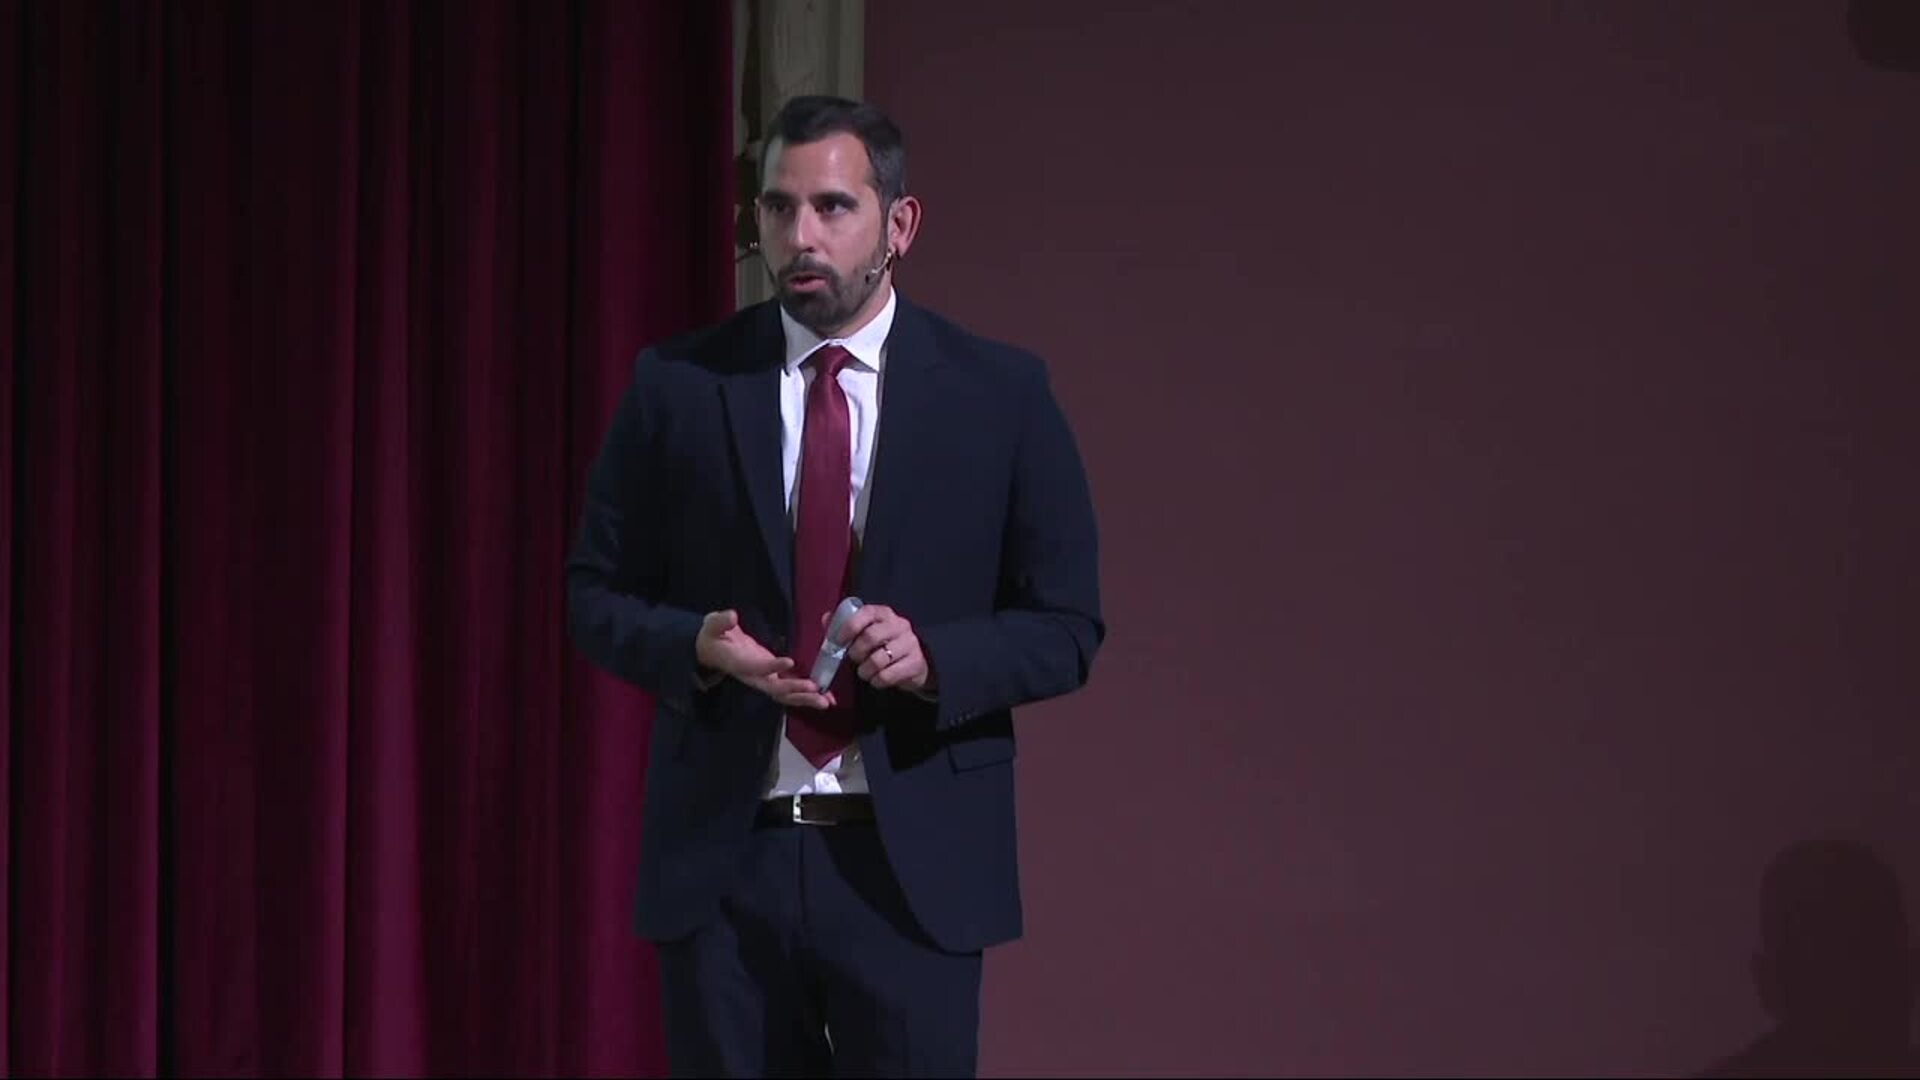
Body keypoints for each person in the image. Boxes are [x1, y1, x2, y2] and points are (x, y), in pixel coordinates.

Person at [564, 94, 1104, 1077]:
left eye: (832, 207)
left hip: (911, 874)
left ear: (900, 223)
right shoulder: (679, 385)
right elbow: (594, 596)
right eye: (779, 208)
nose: (801, 237)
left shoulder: (1001, 396)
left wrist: (936, 657)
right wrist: (694, 645)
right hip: (728, 864)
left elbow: (1068, 624)